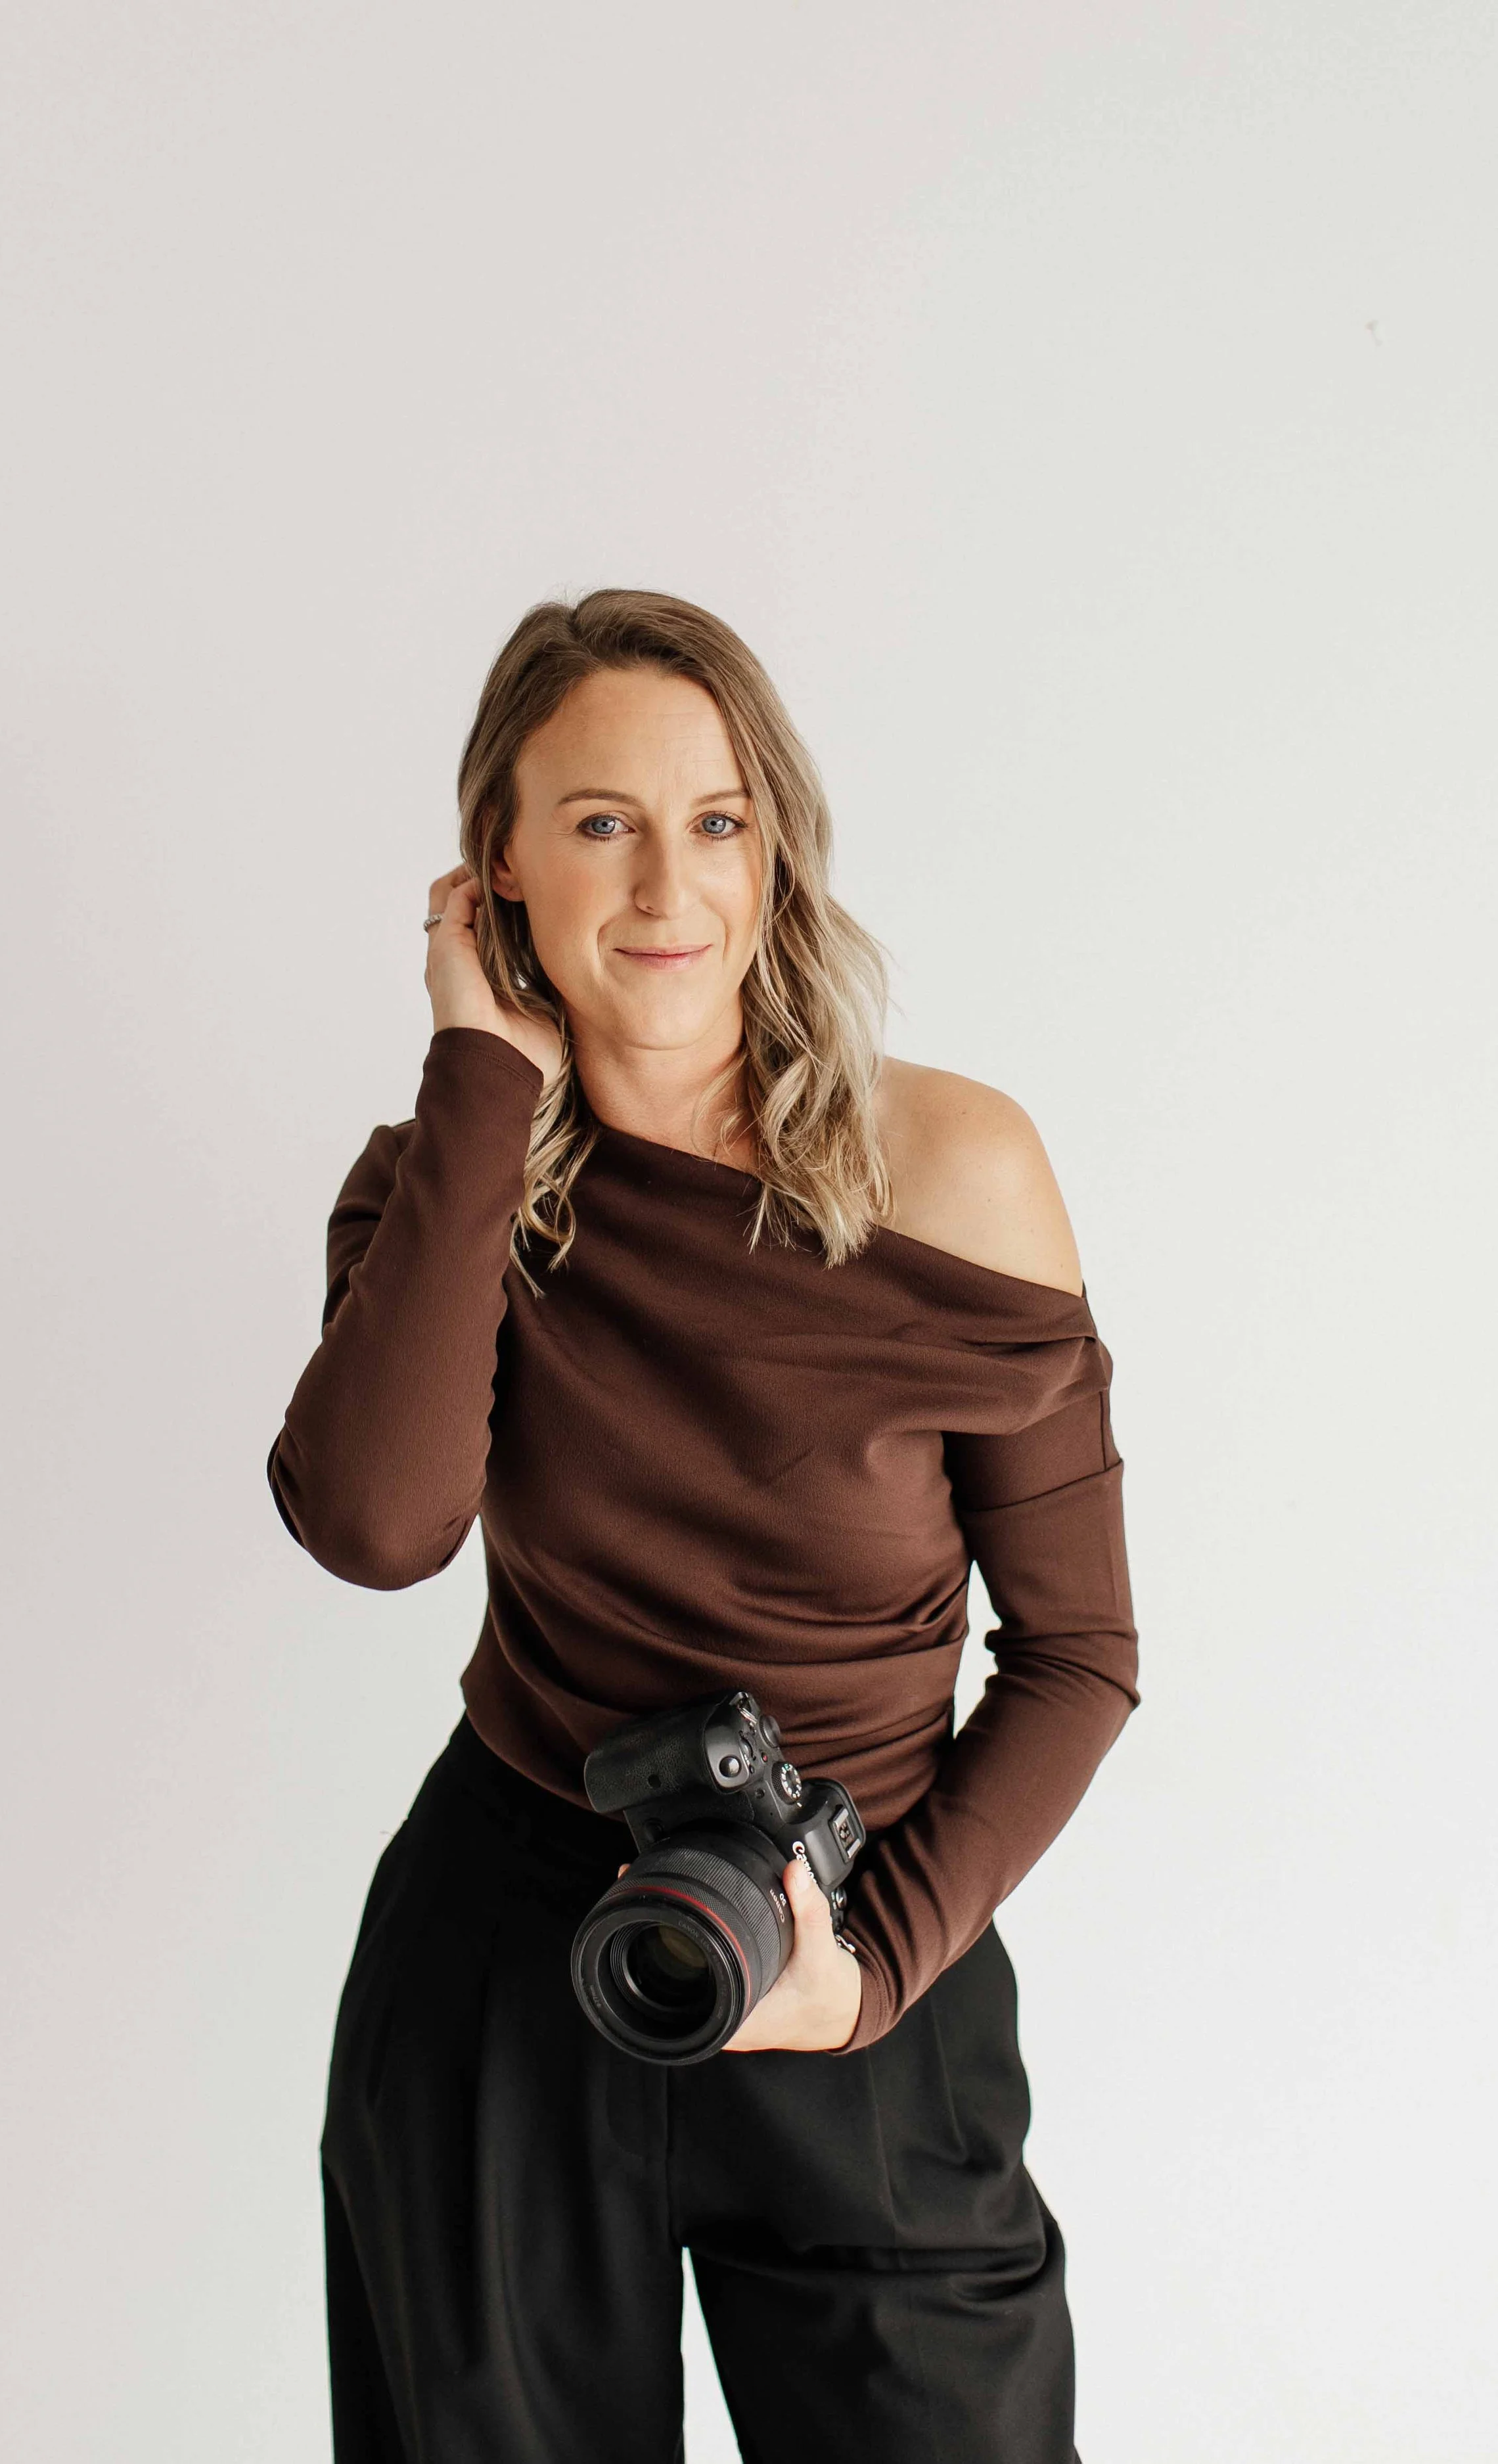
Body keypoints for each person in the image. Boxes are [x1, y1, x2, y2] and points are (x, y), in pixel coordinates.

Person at [266, 589, 1141, 2463]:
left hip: (866, 1948)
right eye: (599, 822)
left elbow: (1077, 1656)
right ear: (494, 865)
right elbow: (375, 1521)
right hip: (511, 1955)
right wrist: (481, 1078)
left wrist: (870, 1965)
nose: (668, 881)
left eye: (716, 819)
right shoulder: (443, 1192)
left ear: (776, 851)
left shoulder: (956, 1174)